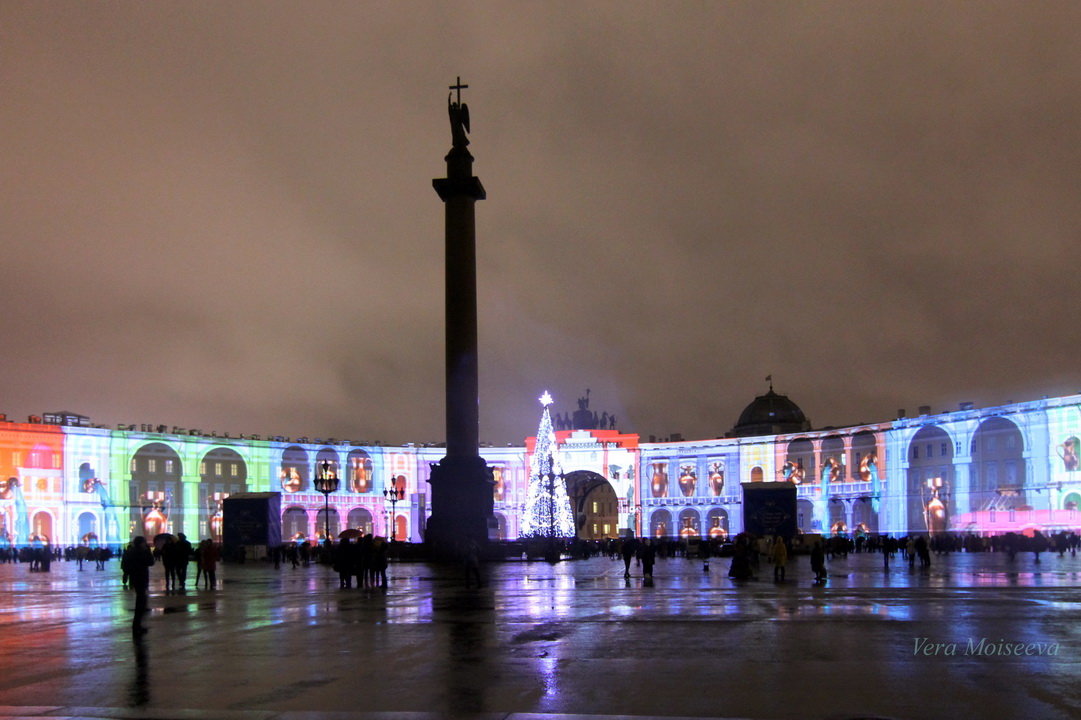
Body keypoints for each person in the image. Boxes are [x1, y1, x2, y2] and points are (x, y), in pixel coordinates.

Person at [121, 536, 155, 636]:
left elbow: (124, 564)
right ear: (141, 543)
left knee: (140, 601)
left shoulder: (129, 551)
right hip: (141, 578)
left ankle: (137, 625)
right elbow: (150, 562)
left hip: (134, 578)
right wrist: (148, 551)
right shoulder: (142, 552)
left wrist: (127, 574)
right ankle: (137, 626)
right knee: (141, 602)